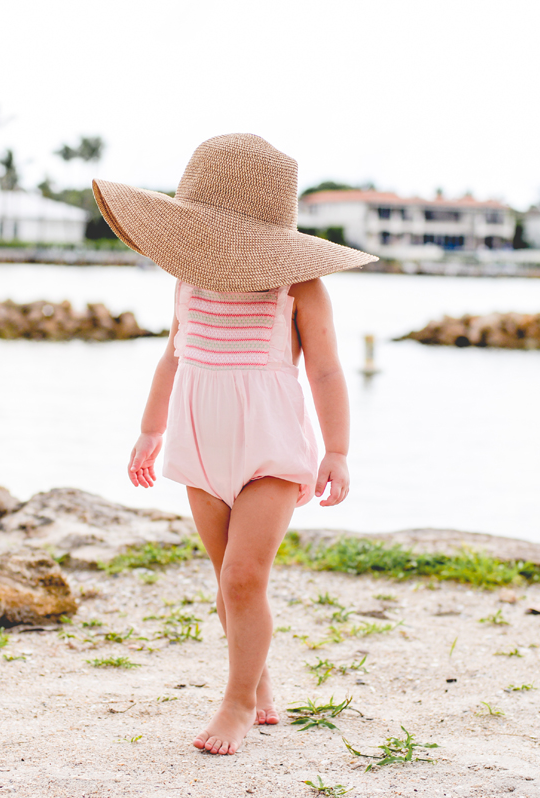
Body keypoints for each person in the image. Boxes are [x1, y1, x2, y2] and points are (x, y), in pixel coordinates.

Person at [92, 134, 377, 756]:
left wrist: (337, 450)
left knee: (246, 577)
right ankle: (259, 676)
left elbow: (326, 371)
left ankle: (238, 702)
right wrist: (149, 429)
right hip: (200, 447)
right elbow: (173, 357)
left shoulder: (299, 288)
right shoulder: (187, 282)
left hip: (270, 448)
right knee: (226, 583)